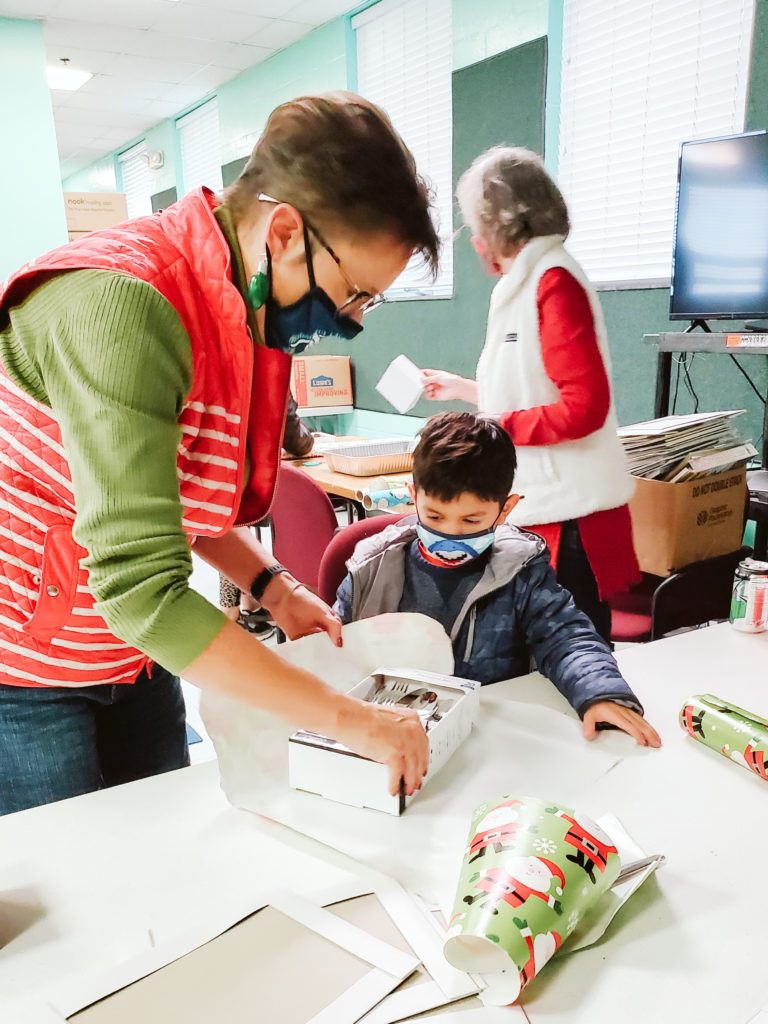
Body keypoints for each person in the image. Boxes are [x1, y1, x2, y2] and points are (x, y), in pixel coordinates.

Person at [0, 91, 436, 814]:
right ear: (287, 232)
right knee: (85, 894)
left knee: (165, 863)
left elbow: (173, 495)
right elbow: (142, 592)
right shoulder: (121, 302)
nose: (351, 325)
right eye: (354, 293)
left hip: (135, 655)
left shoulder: (230, 307)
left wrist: (276, 588)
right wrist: (351, 720)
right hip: (25, 670)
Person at [334, 413, 660, 747]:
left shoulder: (521, 571)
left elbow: (566, 636)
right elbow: (334, 649)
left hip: (489, 735)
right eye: (434, 516)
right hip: (390, 732)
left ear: (505, 511)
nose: (450, 533)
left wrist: (600, 693)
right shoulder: (373, 568)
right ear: (412, 494)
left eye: (471, 519)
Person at [422, 146, 638, 642]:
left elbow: (583, 407)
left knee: (572, 656)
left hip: (571, 516)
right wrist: (466, 391)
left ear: (498, 228)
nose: (473, 240)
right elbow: (532, 389)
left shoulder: (553, 281)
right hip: (547, 505)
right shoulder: (527, 282)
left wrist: (493, 429)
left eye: (475, 226)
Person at [219, 395, 313, 639]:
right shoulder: (269, 363)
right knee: (231, 525)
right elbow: (296, 440)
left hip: (222, 479)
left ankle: (241, 611)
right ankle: (235, 613)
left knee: (227, 524)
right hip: (251, 483)